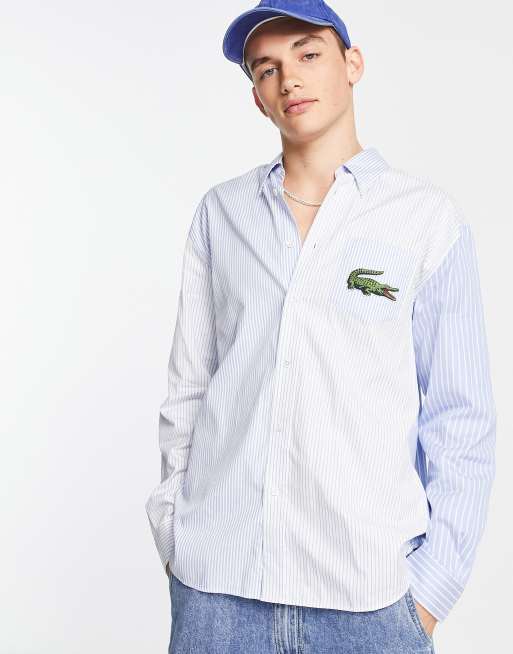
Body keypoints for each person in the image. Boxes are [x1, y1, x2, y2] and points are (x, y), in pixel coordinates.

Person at [145, 1, 497, 652]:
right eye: (266, 69)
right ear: (257, 97)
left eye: (308, 54)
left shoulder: (424, 220)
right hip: (218, 594)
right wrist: (174, 535)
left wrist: (430, 593)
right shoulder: (222, 214)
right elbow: (189, 389)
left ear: (352, 63)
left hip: (368, 603)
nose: (289, 79)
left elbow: (460, 417)